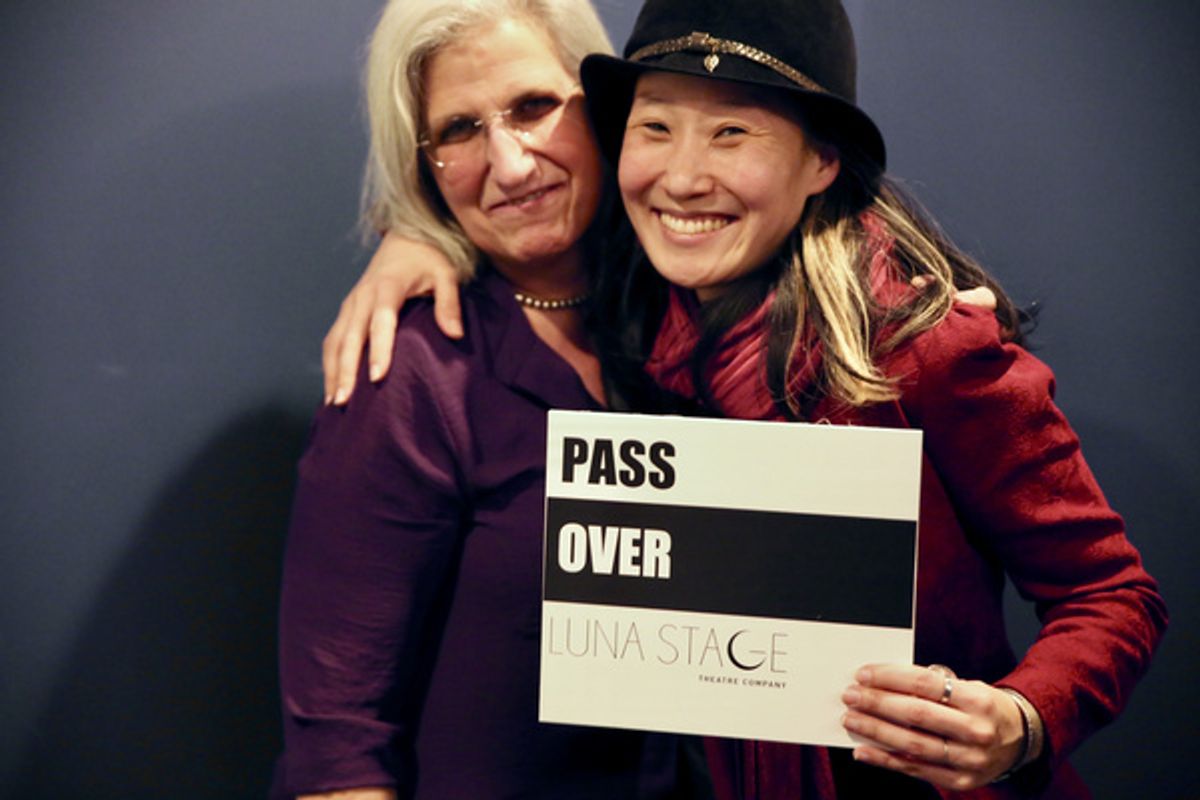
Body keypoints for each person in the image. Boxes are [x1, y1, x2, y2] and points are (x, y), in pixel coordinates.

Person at [317, 1, 1166, 798]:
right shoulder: (639, 314)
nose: (684, 178)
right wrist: (414, 237)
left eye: (733, 132)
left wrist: (1019, 720)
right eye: (655, 127)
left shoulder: (924, 347)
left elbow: (1114, 596)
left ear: (821, 161)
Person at [273, 1, 692, 797]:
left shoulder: (694, 314)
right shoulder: (407, 373)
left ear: (601, 105)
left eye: (534, 106)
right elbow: (337, 748)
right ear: (422, 164)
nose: (512, 163)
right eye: (459, 130)